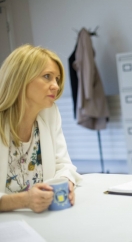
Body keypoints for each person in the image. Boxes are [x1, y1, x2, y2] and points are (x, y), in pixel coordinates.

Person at [0, 44, 82, 212]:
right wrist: (23, 200)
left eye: (57, 79)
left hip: (40, 219)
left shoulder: (49, 114)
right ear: (20, 78)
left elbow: (64, 165)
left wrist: (66, 183)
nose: (56, 86)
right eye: (47, 76)